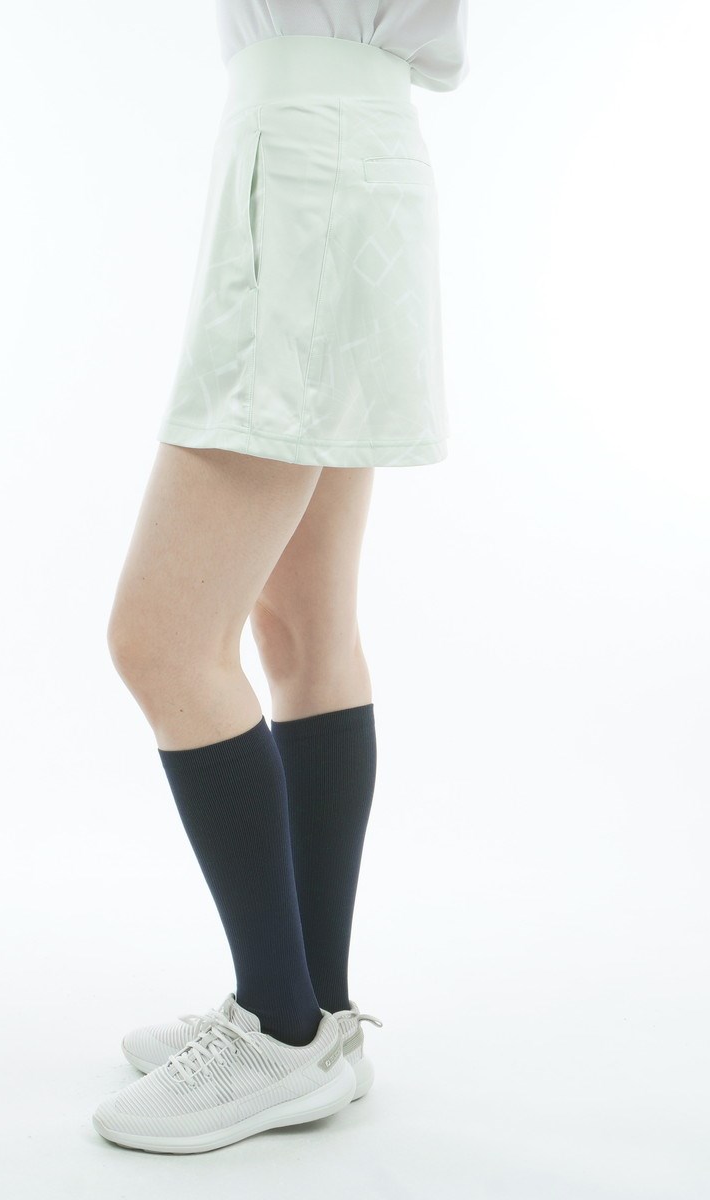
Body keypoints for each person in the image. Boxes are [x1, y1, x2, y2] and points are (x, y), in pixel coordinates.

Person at [95, 2, 470, 1154]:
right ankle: (316, 1013)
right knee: (303, 627)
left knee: (163, 642)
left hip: (311, 162)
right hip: (332, 153)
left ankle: (279, 1024)